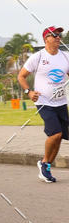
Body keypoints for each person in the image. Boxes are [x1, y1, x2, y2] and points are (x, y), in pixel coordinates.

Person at [18, 26, 69, 183]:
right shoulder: (38, 57)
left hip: (61, 102)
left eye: (59, 35)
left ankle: (46, 165)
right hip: (44, 102)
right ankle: (44, 162)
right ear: (46, 38)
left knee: (60, 137)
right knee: (56, 134)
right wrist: (29, 92)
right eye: (54, 35)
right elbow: (21, 76)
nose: (58, 37)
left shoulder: (66, 56)